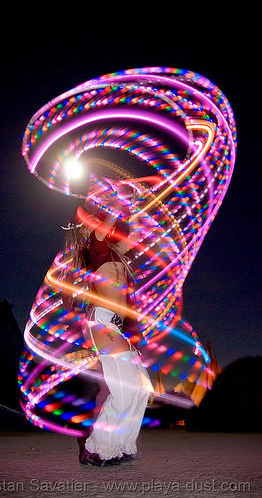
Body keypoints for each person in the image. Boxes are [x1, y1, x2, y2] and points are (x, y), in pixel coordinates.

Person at [63, 193, 153, 467]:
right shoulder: (96, 249)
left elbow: (132, 235)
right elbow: (110, 221)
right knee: (125, 388)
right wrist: (121, 200)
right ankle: (97, 449)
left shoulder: (114, 253)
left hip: (115, 325)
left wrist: (135, 206)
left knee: (141, 386)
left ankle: (120, 446)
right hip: (102, 322)